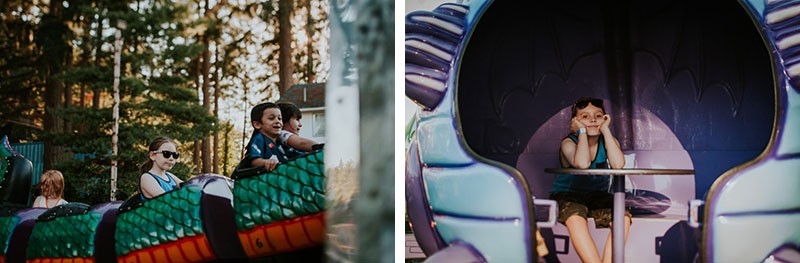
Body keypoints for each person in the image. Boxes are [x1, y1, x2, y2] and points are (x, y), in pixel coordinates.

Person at [549, 97, 630, 263]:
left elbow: (618, 164)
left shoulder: (608, 141)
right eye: (585, 116)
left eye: (598, 116)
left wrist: (606, 131)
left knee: (623, 216)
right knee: (575, 217)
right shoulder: (568, 143)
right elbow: (582, 164)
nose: (593, 119)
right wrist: (582, 133)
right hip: (567, 194)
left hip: (596, 195)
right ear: (575, 122)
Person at [237, 102, 288, 171]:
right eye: (271, 118)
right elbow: (254, 160)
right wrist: (266, 162)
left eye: (279, 118)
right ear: (257, 124)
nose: (277, 121)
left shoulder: (281, 143)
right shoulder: (259, 139)